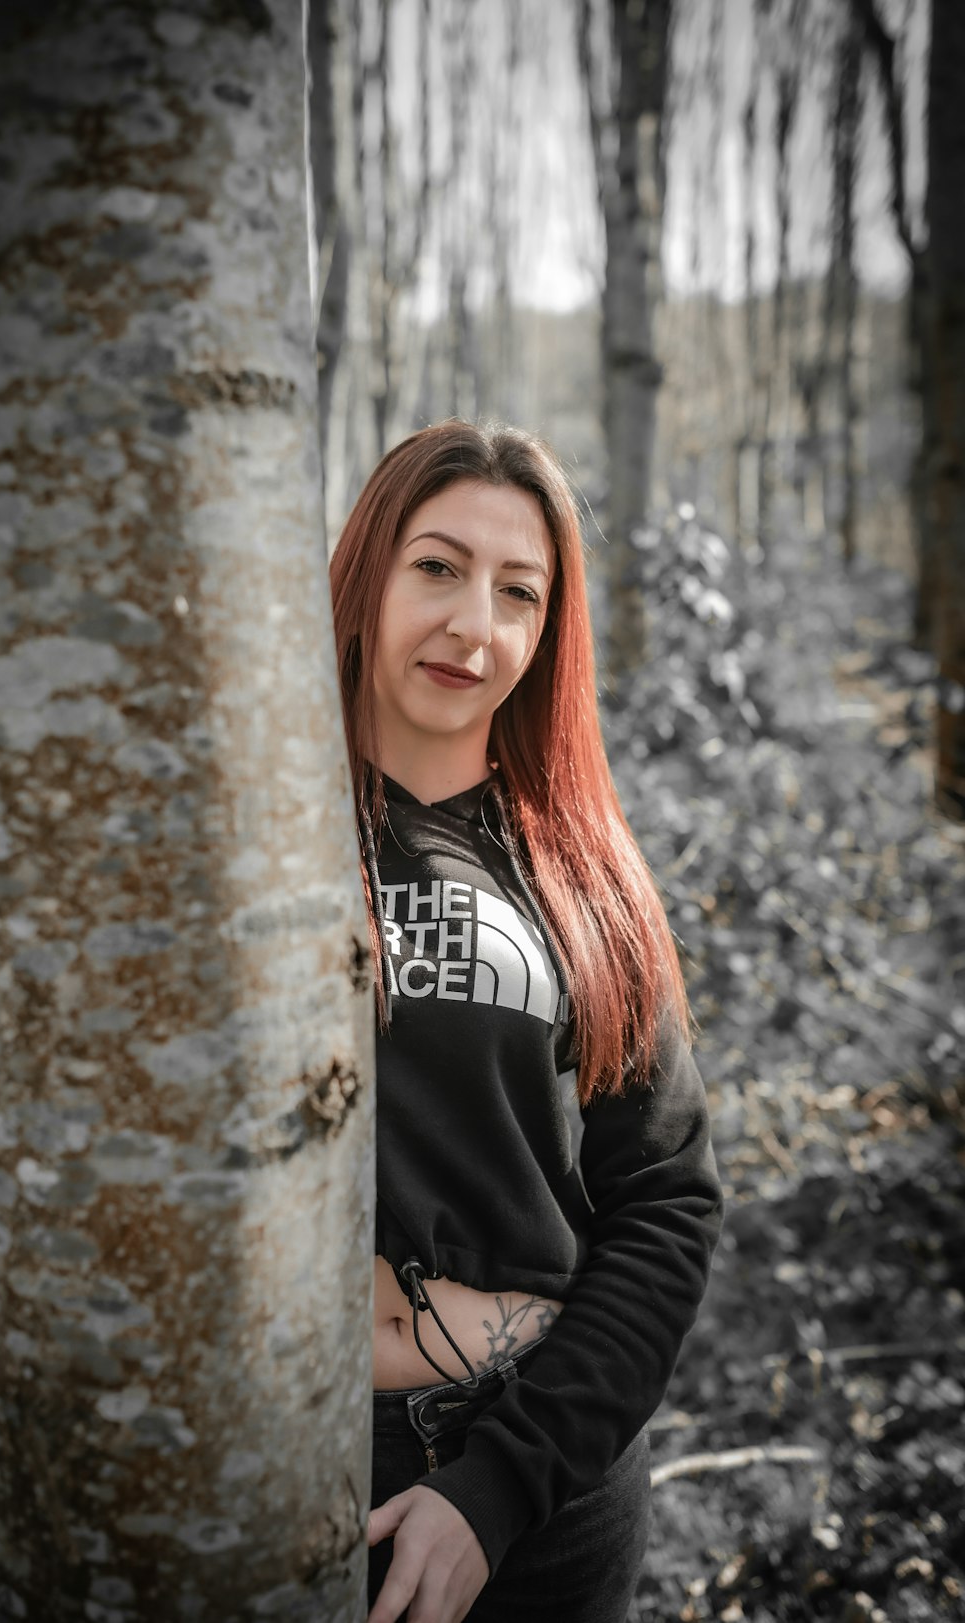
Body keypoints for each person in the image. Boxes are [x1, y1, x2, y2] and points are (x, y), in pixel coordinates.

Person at [328, 419, 724, 1623]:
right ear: (367, 575)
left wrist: (498, 1489)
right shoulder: (262, 839)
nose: (474, 627)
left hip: (544, 1486)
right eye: (437, 568)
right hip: (299, 1464)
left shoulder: (583, 873)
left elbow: (666, 1202)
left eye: (519, 593)